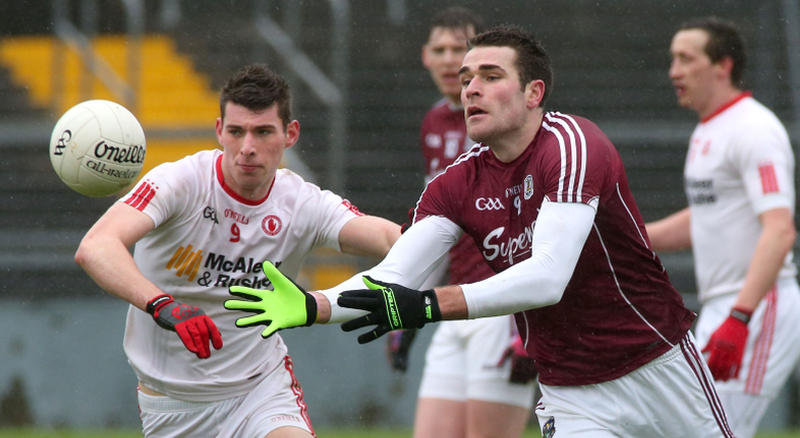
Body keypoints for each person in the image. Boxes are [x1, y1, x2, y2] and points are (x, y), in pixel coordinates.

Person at [225, 26, 735, 437]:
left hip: (656, 363)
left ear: (535, 92)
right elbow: (395, 273)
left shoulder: (575, 144)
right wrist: (315, 305)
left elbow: (547, 278)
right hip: (571, 392)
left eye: (490, 75)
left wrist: (427, 306)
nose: (470, 87)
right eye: (467, 77)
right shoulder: (454, 184)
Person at [73, 63, 401, 438]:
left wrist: (439, 235)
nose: (247, 148)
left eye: (263, 132)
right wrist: (161, 304)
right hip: (171, 405)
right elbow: (96, 246)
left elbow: (392, 240)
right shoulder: (179, 182)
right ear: (219, 131)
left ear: (290, 134)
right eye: (236, 131)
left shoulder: (301, 203)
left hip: (259, 391)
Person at [645, 16, 800, 438]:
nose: (674, 70)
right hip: (725, 308)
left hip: (756, 307)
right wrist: (630, 235)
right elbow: (706, 217)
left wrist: (740, 317)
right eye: (672, 59)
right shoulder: (709, 130)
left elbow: (781, 229)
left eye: (686, 58)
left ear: (722, 66)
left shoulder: (754, 128)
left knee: (716, 433)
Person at [387, 7, 536, 438]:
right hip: (452, 304)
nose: (451, 60)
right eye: (441, 49)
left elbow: (540, 225)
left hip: (502, 308)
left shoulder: (513, 122)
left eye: (461, 49)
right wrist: (407, 302)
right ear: (425, 57)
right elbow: (436, 226)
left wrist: (530, 321)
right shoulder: (434, 122)